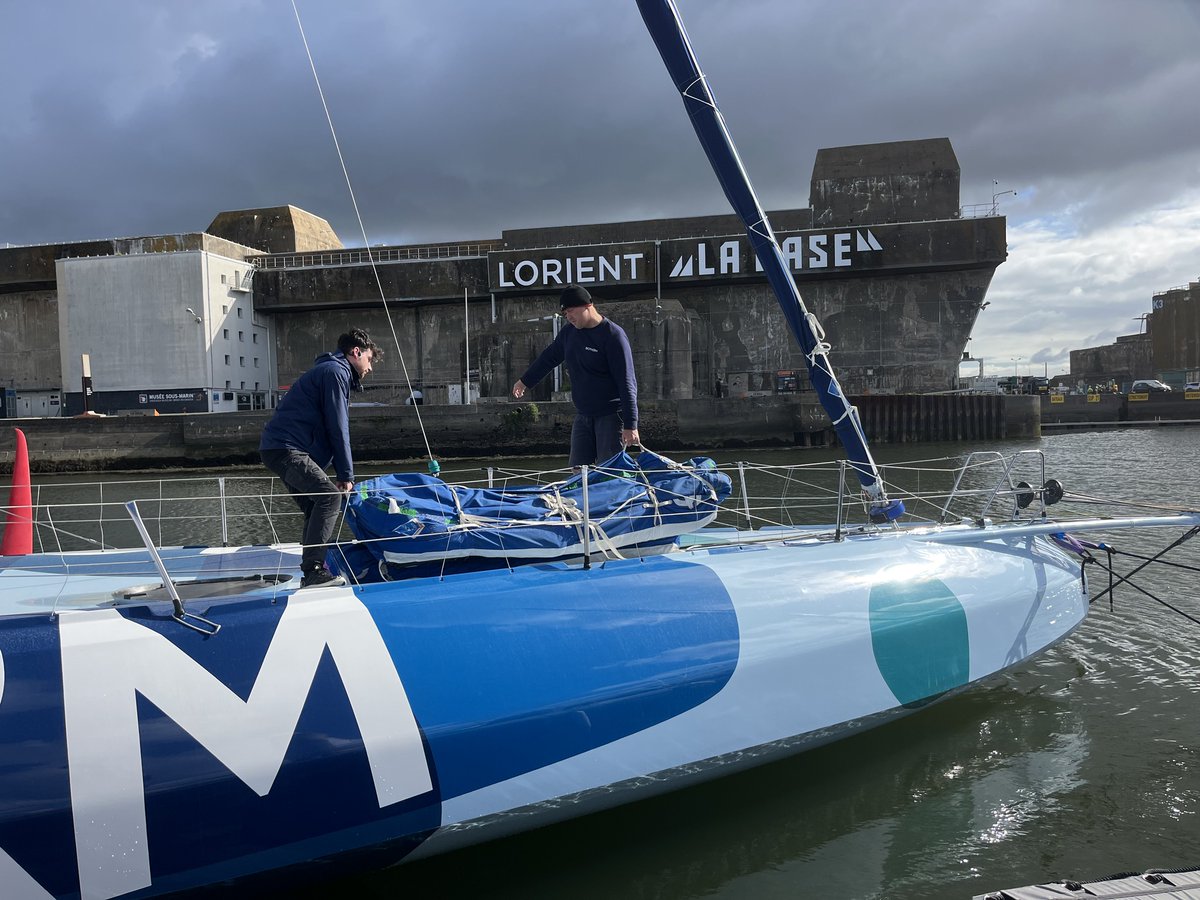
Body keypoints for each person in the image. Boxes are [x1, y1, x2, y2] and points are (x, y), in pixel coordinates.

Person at [260, 328, 382, 588]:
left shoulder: (330, 371)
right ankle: (314, 571)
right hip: (286, 448)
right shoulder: (336, 372)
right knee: (329, 498)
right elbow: (337, 426)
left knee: (316, 505)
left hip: (278, 447)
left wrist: (339, 470)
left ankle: (312, 571)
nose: (370, 368)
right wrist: (346, 475)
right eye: (369, 360)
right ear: (356, 352)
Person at [512, 284, 639, 467]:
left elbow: (627, 382)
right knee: (577, 470)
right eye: (565, 314)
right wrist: (525, 381)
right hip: (583, 415)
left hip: (611, 415)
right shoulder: (569, 333)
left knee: (609, 472)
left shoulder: (613, 336)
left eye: (571, 311)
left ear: (588, 305)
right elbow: (549, 358)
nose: (568, 317)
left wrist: (631, 424)